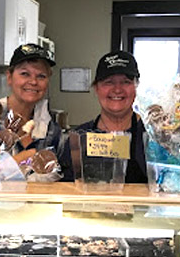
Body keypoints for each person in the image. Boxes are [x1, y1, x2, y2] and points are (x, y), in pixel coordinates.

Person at [61, 50, 147, 183]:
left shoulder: (152, 137)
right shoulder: (78, 138)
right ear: (96, 88)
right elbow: (66, 190)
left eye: (126, 82)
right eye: (109, 82)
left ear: (136, 87)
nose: (117, 89)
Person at [0, 43, 62, 161]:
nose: (33, 82)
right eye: (25, 74)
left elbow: (54, 173)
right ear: (9, 77)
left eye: (41, 76)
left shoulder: (52, 131)